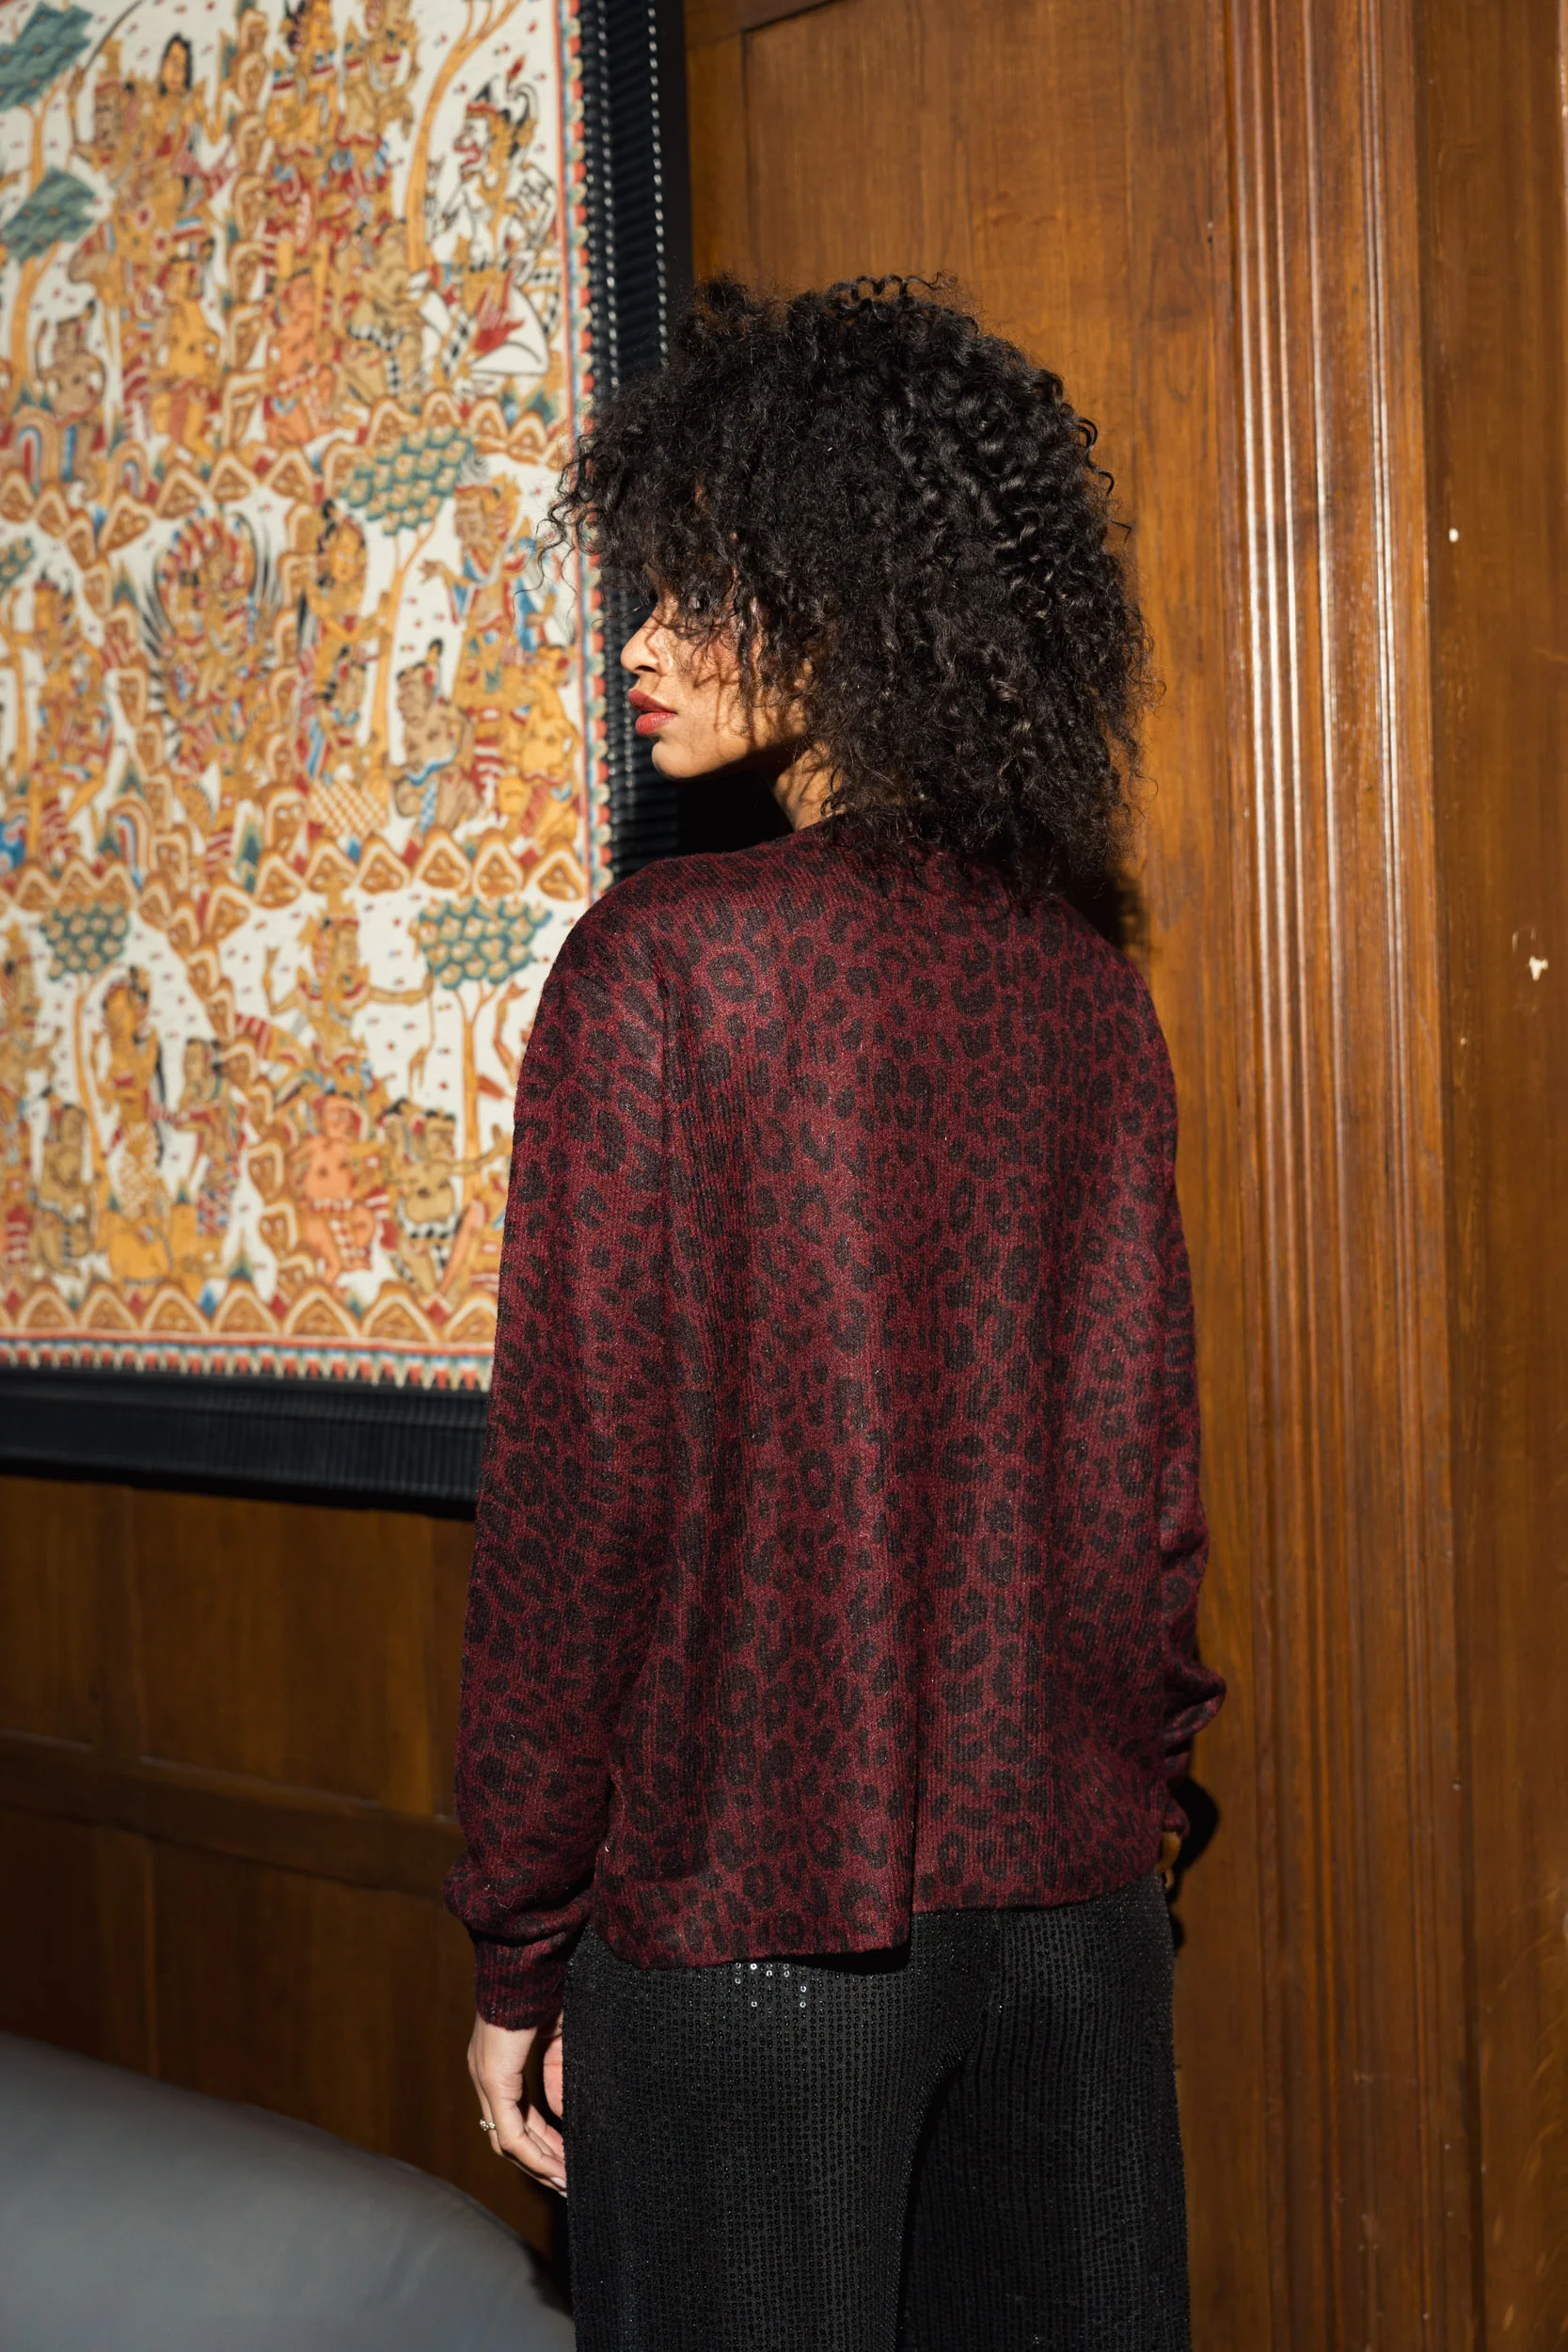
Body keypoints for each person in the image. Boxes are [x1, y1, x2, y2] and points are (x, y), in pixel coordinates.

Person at [446, 277, 1225, 2352]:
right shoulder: (1082, 985)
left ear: (852, 595)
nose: (638, 640)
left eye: (698, 586)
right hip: (1075, 1925)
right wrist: (1134, 1806)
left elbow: (577, 1507)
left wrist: (517, 1939)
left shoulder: (663, 964)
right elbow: (1144, 1488)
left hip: (752, 1943)